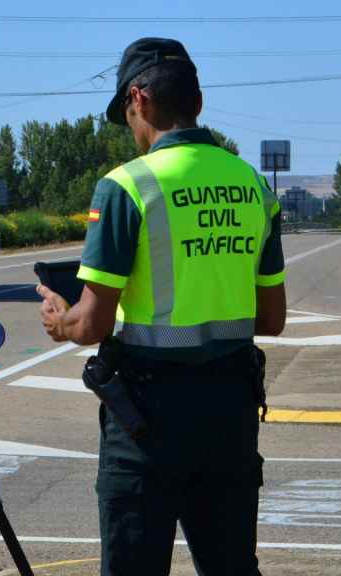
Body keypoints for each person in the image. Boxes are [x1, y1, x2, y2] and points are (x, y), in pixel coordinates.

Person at [37, 37, 286, 575]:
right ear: (197, 102)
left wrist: (61, 319)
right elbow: (272, 319)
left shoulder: (127, 186)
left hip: (146, 420)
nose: (131, 127)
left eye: (127, 115)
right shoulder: (252, 185)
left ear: (139, 100)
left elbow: (92, 323)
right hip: (230, 414)